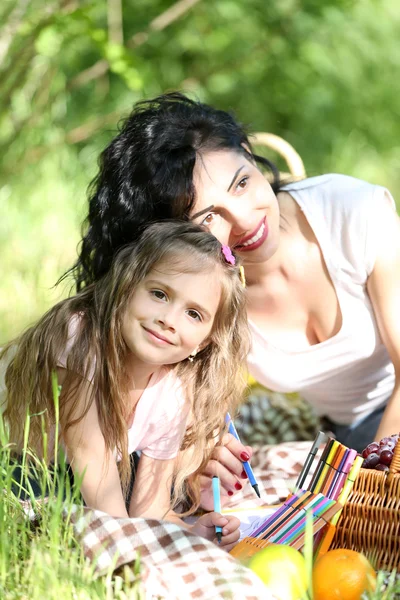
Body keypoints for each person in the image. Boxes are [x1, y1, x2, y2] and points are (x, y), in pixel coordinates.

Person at [66, 92, 400, 480]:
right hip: (356, 432)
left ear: (248, 152)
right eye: (208, 218)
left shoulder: (351, 212)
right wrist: (202, 451)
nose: (243, 221)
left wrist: (377, 479)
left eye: (241, 183)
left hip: (384, 438)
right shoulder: (203, 294)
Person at [1, 221, 250, 550]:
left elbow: (150, 508)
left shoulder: (172, 393)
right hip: (15, 468)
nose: (169, 319)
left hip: (64, 482)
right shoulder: (79, 337)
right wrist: (127, 548)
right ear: (127, 287)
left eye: (193, 314)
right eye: (159, 294)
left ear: (202, 344)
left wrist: (191, 534)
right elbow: (89, 453)